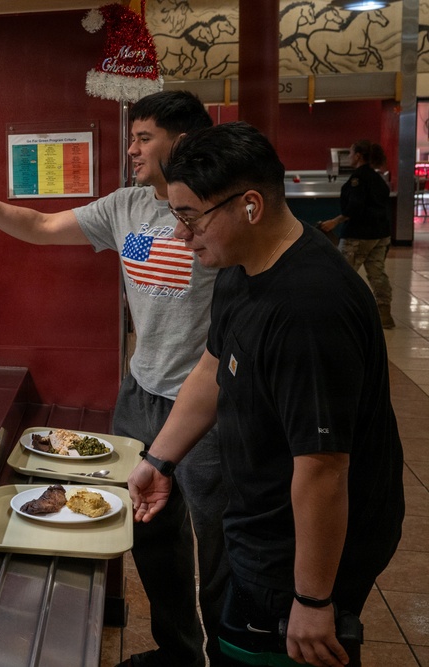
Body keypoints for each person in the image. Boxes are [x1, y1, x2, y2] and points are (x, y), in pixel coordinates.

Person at [0, 90, 228, 667]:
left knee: (219, 543)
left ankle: (228, 653)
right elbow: (40, 224)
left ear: (182, 141)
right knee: (154, 534)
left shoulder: (216, 209)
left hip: (209, 402)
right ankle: (180, 653)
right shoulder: (127, 206)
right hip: (141, 395)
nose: (132, 149)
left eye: (145, 138)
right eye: (132, 136)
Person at [129, 121, 404, 666]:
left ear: (249, 205)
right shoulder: (241, 263)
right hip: (259, 517)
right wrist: (160, 458)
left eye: (190, 217)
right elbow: (212, 366)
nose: (182, 235)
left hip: (307, 545)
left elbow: (323, 467)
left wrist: (313, 598)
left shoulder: (309, 309)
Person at [318, 140, 394, 329]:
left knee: (342, 273)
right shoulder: (378, 179)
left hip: (359, 235)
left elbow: (354, 207)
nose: (350, 157)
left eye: (351, 153)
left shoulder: (358, 179)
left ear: (359, 155)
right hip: (381, 234)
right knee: (377, 273)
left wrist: (334, 222)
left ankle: (340, 313)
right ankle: (384, 313)